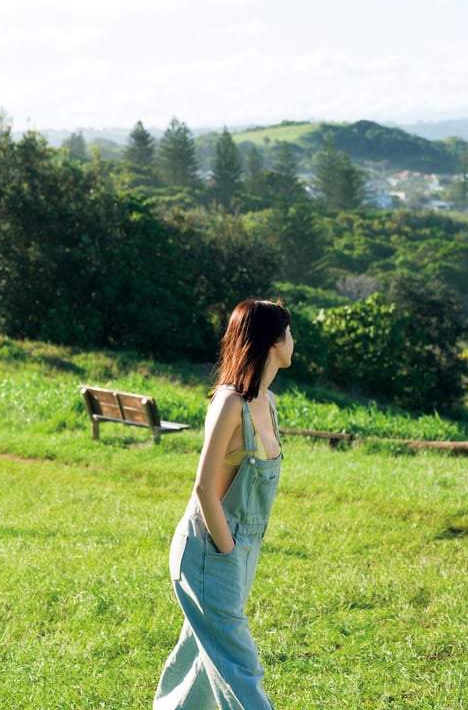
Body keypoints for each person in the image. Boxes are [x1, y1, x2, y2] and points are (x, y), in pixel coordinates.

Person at [154, 299, 294, 710]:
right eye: (288, 331)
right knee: (241, 669)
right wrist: (227, 552)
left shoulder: (267, 403)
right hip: (209, 552)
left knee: (201, 661)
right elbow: (203, 487)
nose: (293, 340)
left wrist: (240, 553)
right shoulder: (229, 403)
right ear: (272, 342)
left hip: (242, 551)